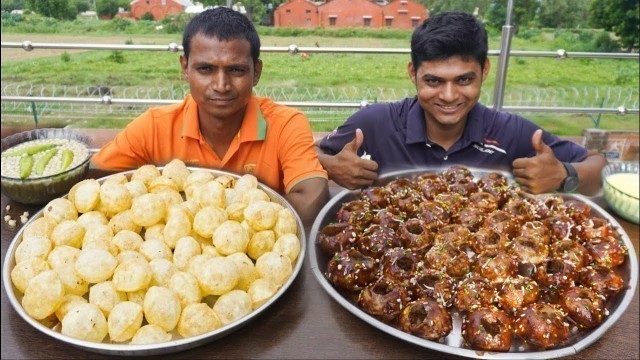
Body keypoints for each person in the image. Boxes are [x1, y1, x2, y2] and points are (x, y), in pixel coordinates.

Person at [316, 12, 605, 196]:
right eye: (434, 81)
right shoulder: (375, 123)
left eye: (464, 80)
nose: (450, 96)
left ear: (485, 71)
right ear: (412, 73)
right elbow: (312, 152)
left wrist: (565, 175)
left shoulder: (510, 132)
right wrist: (330, 165)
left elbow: (597, 166)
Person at [93, 7, 329, 223]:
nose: (221, 85)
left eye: (235, 70)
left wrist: (218, 220)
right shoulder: (154, 127)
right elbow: (96, 180)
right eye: (205, 69)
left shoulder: (285, 124)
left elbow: (312, 198)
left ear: (256, 72)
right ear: (185, 68)